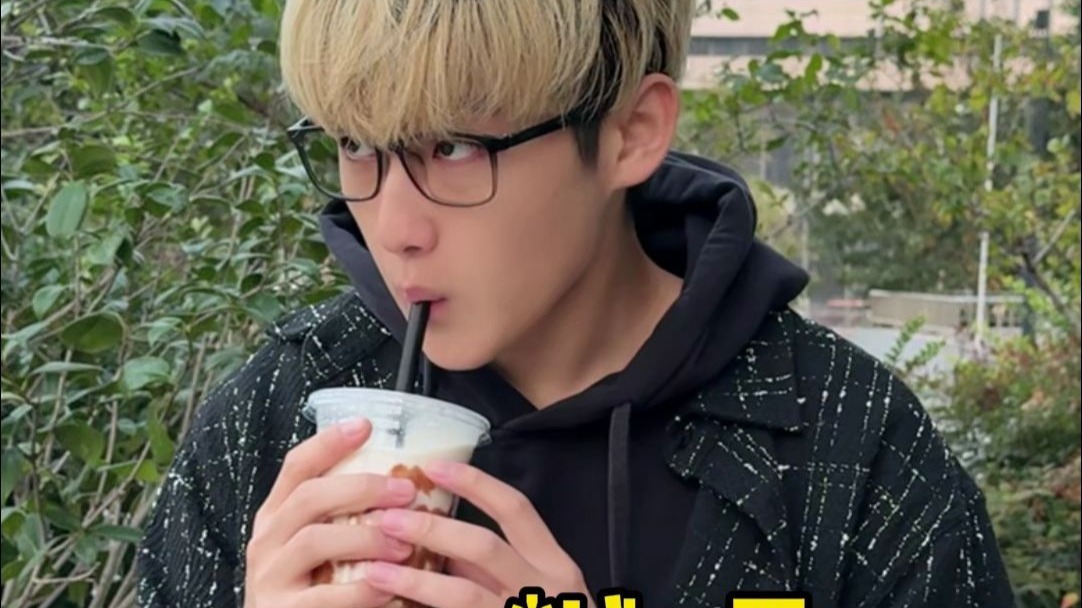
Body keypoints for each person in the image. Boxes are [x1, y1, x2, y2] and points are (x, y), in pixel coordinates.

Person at [136, 1, 1016, 607]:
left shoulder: (844, 448)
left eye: (454, 147)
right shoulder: (277, 424)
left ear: (633, 131)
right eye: (357, 145)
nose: (395, 228)